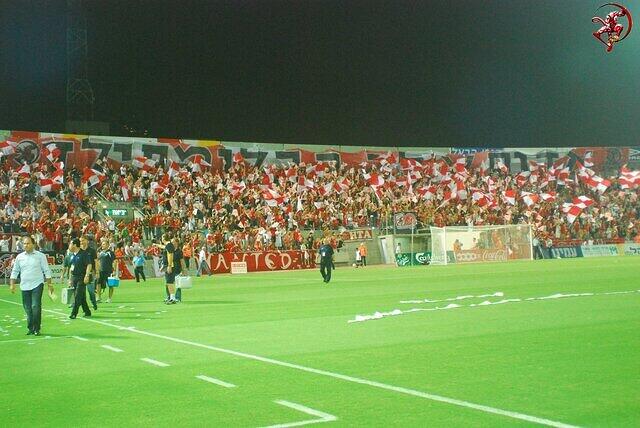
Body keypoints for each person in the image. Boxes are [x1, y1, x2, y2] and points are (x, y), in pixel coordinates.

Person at [9, 235, 53, 336]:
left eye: (28, 243)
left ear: (33, 244)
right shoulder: (19, 257)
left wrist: (49, 284)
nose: (26, 245)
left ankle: (37, 328)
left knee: (35, 306)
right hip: (24, 286)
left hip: (37, 284)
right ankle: (30, 328)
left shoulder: (40, 256)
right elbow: (15, 271)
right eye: (24, 243)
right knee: (27, 308)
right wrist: (12, 284)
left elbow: (46, 270)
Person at [68, 238, 93, 319]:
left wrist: (87, 275)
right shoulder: (72, 255)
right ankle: (87, 311)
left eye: (71, 244)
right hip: (74, 277)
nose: (69, 246)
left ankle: (74, 313)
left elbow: (89, 265)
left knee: (77, 295)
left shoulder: (84, 254)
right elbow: (71, 268)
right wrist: (70, 279)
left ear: (75, 245)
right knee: (81, 296)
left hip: (82, 277)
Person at [80, 236, 98, 310]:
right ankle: (76, 304)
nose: (81, 242)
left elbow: (96, 261)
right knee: (79, 291)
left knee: (91, 291)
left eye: (83, 240)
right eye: (80, 241)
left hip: (90, 273)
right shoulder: (79, 250)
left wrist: (97, 272)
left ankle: (94, 302)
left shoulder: (92, 251)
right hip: (80, 274)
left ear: (87, 241)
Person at [167, 237, 186, 302]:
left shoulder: (179, 251)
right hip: (170, 269)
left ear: (177, 243)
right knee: (168, 283)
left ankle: (177, 298)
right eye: (171, 242)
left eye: (173, 242)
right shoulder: (169, 250)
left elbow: (182, 261)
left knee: (178, 284)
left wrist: (184, 269)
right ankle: (169, 297)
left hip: (177, 269)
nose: (172, 243)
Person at [161, 233, 177, 304]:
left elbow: (170, 255)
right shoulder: (168, 245)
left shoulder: (169, 245)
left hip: (170, 266)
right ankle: (171, 297)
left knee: (170, 282)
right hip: (168, 265)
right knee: (168, 282)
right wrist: (156, 245)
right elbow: (163, 247)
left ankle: (172, 298)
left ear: (164, 238)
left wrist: (169, 265)